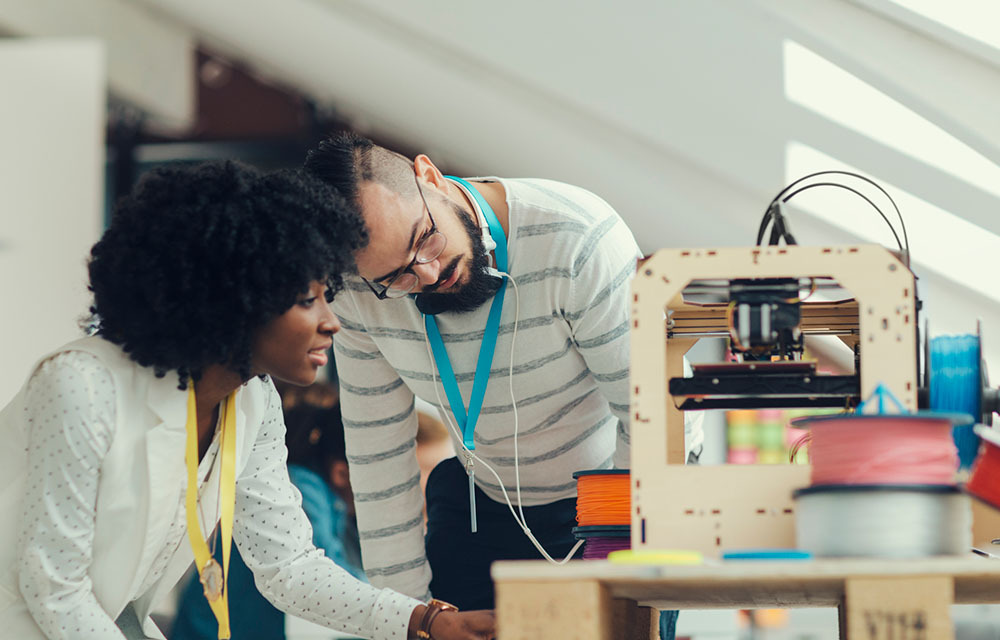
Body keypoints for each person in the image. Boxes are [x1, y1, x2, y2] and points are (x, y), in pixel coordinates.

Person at [0, 161, 494, 640]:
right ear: (231, 299)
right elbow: (53, 589)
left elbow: (289, 567)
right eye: (308, 300)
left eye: (329, 295)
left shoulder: (252, 401)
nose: (332, 321)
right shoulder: (81, 384)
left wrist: (427, 622)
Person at [303, 133, 702, 638]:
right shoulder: (358, 292)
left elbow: (653, 418)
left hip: (612, 490)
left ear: (430, 176)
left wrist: (609, 556)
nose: (427, 275)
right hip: (479, 499)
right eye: (397, 276)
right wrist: (409, 618)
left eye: (424, 238)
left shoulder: (575, 237)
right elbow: (378, 456)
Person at [171, 383, 367, 640]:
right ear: (341, 472)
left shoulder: (331, 502)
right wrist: (404, 607)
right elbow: (328, 571)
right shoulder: (304, 488)